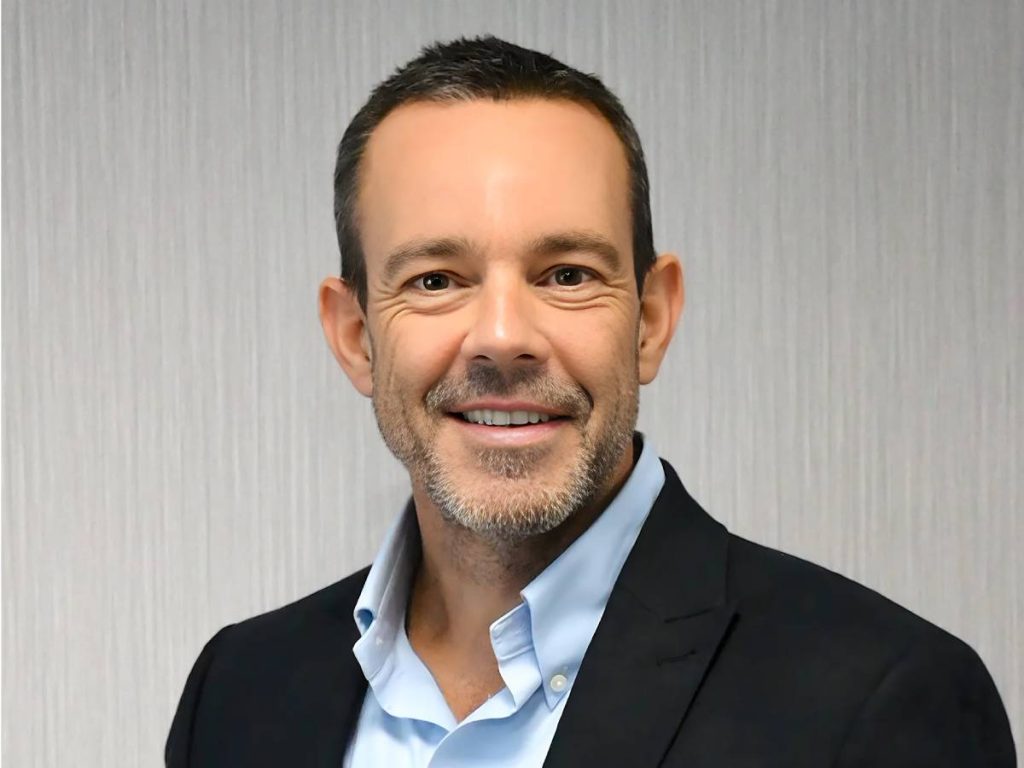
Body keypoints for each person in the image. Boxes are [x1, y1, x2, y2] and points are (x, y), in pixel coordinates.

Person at [166, 35, 1016, 767]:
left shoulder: (879, 702)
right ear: (355, 336)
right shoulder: (237, 694)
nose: (504, 336)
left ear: (651, 319)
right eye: (436, 280)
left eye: (566, 275)